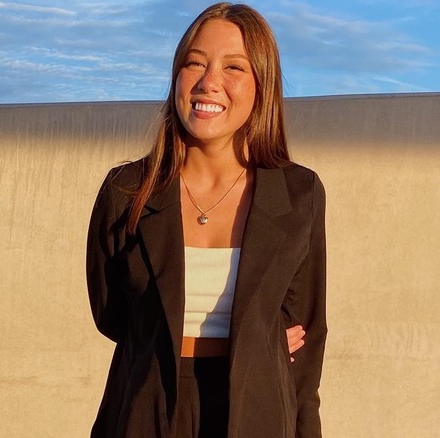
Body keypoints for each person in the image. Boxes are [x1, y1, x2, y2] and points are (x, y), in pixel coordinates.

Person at [85, 2, 326, 437]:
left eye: (234, 67)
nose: (209, 82)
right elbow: (111, 314)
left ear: (262, 85)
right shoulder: (126, 190)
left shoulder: (299, 193)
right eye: (195, 63)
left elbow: (306, 340)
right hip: (145, 410)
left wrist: (262, 338)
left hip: (258, 412)